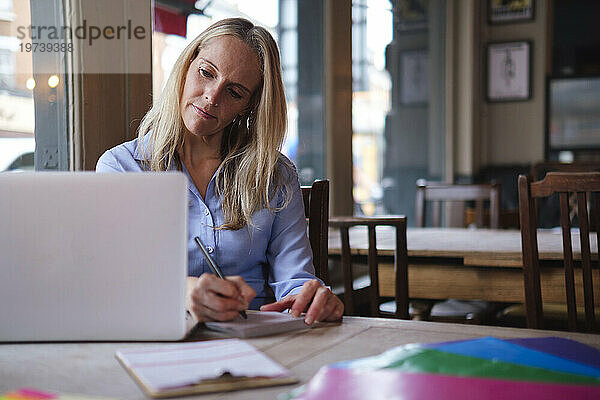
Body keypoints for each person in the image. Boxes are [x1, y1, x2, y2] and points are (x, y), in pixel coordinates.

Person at [96, 18, 343, 325]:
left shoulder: (275, 175)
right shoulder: (121, 167)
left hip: (260, 341)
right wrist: (182, 290)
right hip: (159, 338)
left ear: (249, 106)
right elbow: (114, 278)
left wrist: (314, 298)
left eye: (235, 92)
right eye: (206, 73)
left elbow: (295, 283)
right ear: (187, 65)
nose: (212, 96)